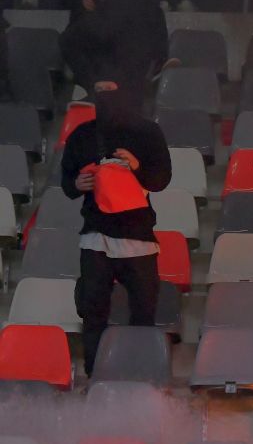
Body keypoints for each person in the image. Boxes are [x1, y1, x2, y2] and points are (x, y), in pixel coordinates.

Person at [61, 79, 171, 377]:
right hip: (95, 235)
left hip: (138, 238)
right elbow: (67, 180)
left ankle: (141, 375)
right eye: (101, 90)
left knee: (143, 313)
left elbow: (161, 179)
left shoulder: (147, 132)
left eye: (112, 89)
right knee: (93, 310)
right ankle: (95, 374)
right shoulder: (82, 135)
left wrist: (136, 167)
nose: (107, 97)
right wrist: (76, 184)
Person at [58, 0, 169, 104]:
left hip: (129, 70)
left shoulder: (142, 0)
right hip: (102, 66)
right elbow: (70, 39)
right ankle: (95, 88)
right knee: (72, 39)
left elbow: (152, 23)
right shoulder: (94, 0)